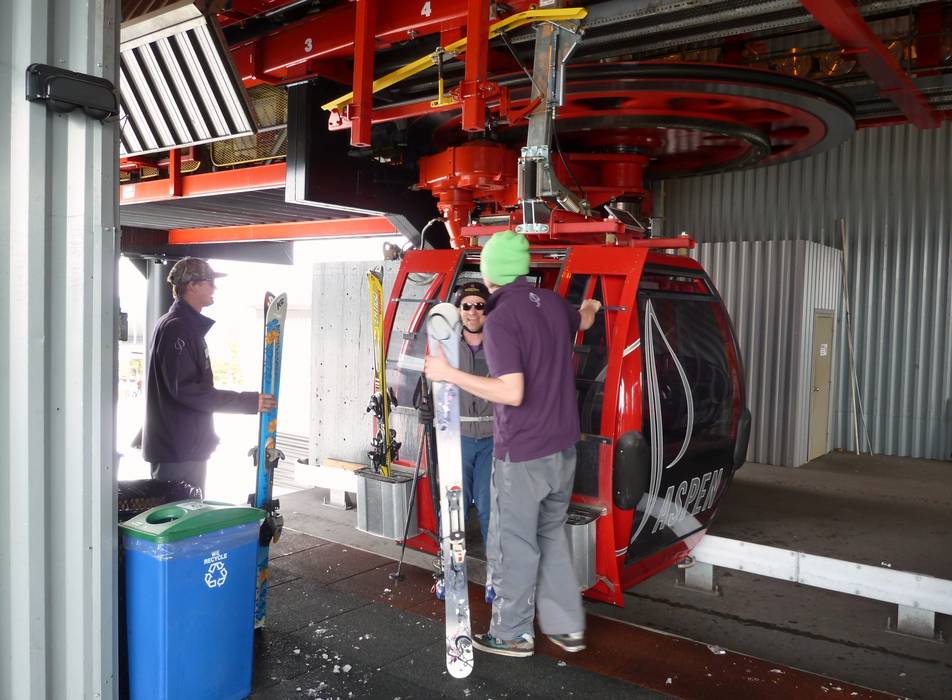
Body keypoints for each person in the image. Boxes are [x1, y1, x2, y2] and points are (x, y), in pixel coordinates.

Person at [425, 230, 601, 658]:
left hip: (524, 452)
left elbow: (511, 391)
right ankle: (566, 627)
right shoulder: (553, 304)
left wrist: (448, 374)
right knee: (551, 535)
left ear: (490, 273)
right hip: (563, 448)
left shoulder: (502, 318)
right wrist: (593, 305)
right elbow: (585, 318)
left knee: (514, 542)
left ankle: (511, 633)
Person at [141, 257, 276, 495]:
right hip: (178, 450)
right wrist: (247, 401)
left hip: (182, 447)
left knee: (189, 512)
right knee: (181, 513)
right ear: (192, 285)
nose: (215, 288)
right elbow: (186, 390)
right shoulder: (177, 328)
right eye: (210, 282)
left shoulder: (181, 326)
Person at [453, 282, 494, 549]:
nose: (472, 311)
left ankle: (497, 568)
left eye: (479, 305)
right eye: (466, 305)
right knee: (454, 505)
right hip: (458, 439)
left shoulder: (501, 346)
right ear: (459, 310)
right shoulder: (447, 347)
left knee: (490, 507)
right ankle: (449, 562)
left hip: (493, 439)